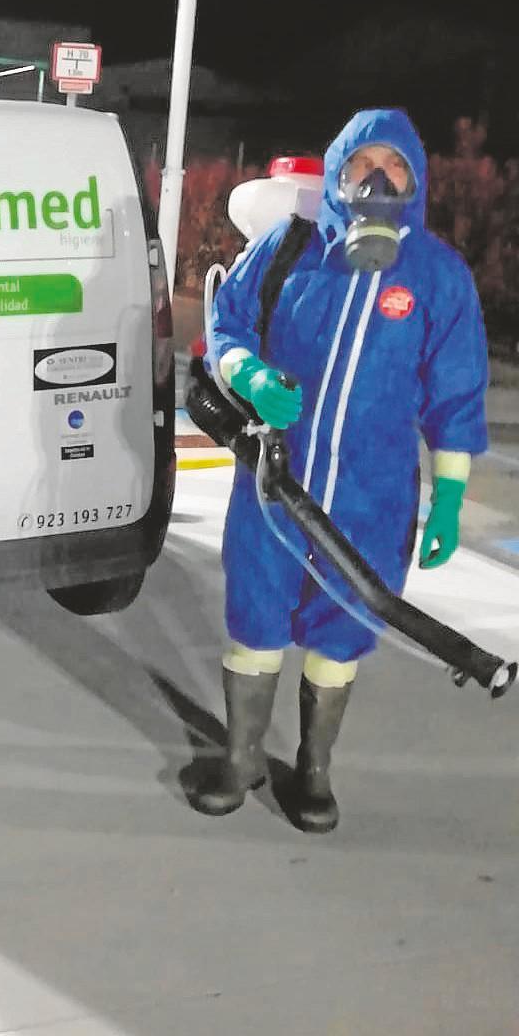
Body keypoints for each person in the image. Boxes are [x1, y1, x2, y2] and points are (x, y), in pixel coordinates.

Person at [196, 107, 489, 832]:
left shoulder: (439, 278)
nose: (379, 181)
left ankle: (315, 772)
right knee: (255, 621)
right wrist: (251, 375)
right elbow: (226, 320)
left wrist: (449, 499)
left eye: (396, 169)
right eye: (364, 165)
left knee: (342, 632)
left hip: (373, 501)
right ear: (337, 173)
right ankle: (241, 759)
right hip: (272, 485)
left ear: (416, 182)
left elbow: (456, 396)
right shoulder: (289, 247)